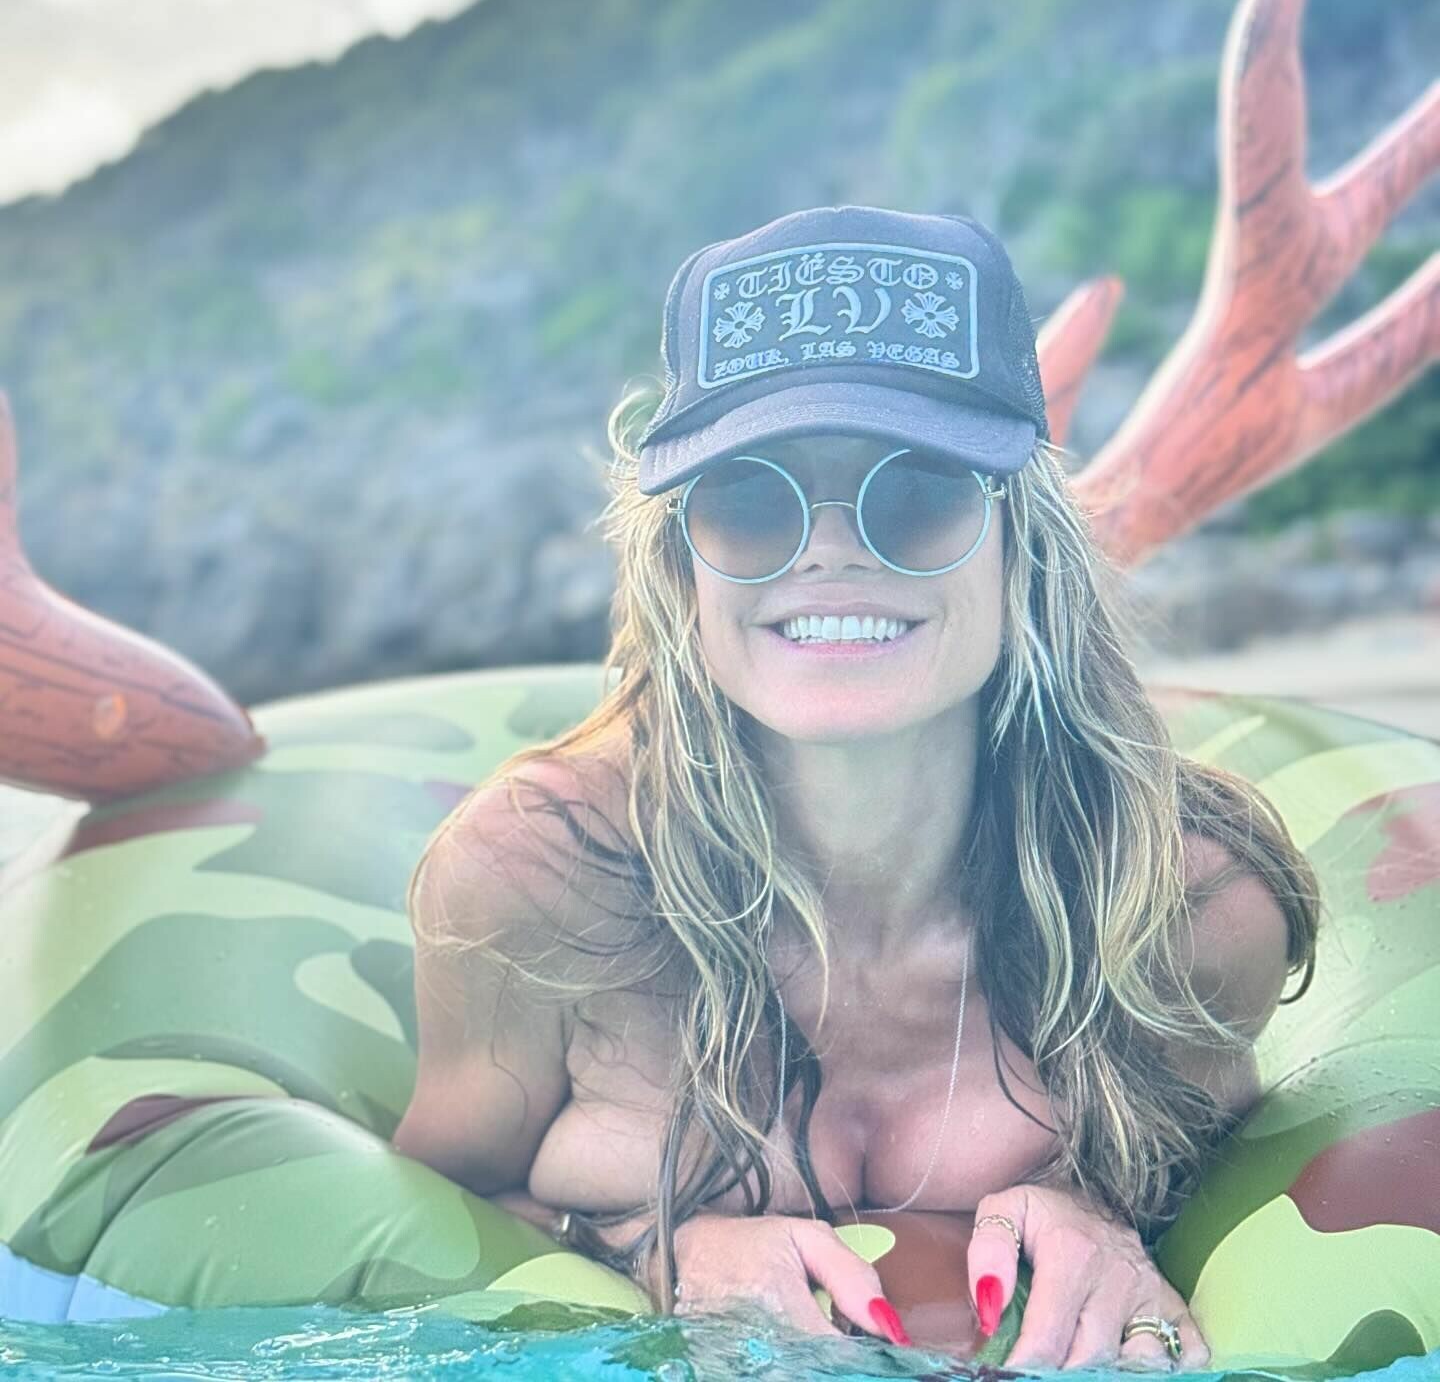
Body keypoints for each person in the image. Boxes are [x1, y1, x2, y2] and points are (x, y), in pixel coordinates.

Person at [392, 203, 1319, 1369]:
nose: (830, 547)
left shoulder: (1180, 909)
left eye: (915, 489)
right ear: (682, 564)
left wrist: (1110, 1218)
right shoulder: (540, 882)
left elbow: (1237, 1214)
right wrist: (651, 1251)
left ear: (1021, 548)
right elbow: (424, 1231)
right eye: (751, 497)